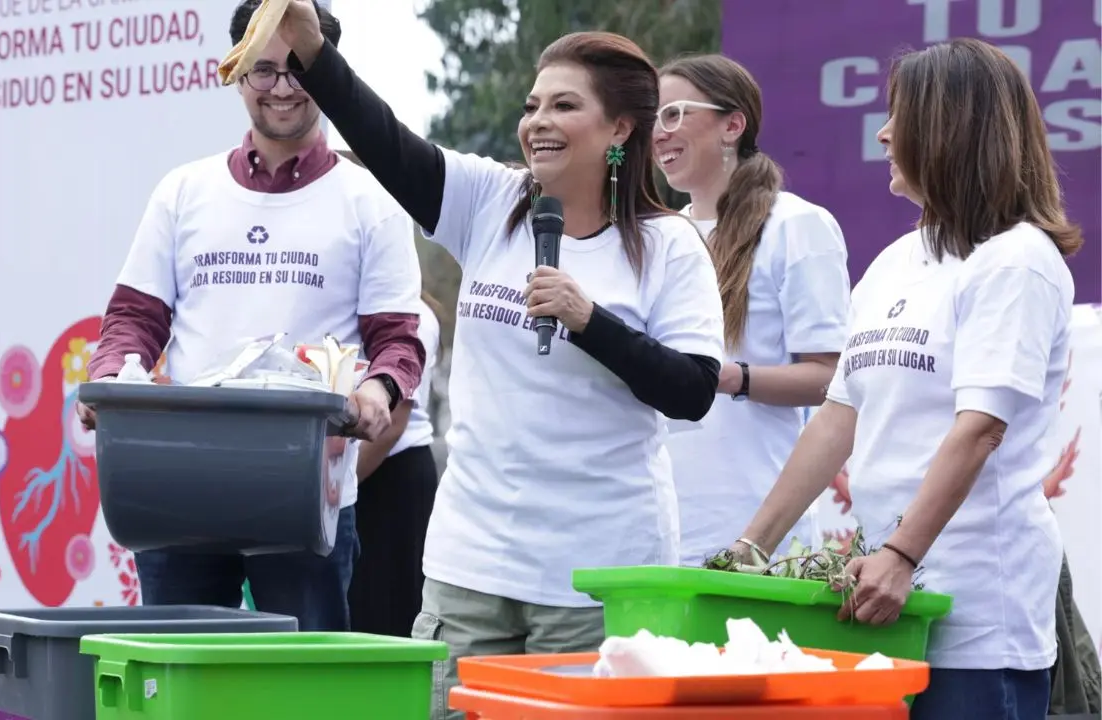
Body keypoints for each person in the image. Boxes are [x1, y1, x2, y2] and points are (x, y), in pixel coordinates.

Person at [274, 3, 725, 717]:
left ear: (620, 129)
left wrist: (589, 321)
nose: (538, 121)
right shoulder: (491, 199)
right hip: (471, 565)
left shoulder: (668, 246)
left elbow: (694, 390)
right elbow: (384, 138)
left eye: (565, 105)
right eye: (532, 105)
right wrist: (309, 47)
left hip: (597, 575)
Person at [725, 38, 1083, 720]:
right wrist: (747, 549)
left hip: (976, 621)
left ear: (952, 130)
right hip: (885, 603)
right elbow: (837, 418)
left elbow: (979, 430)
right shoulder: (894, 261)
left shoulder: (1017, 262)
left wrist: (900, 553)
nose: (884, 133)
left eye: (901, 116)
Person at [80, 0, 425, 632]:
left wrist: (379, 389)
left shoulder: (370, 199)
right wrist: (112, 375)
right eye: (263, 71)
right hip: (179, 489)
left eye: (301, 69)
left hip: (305, 496)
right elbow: (133, 318)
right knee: (178, 679)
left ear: (330, 71)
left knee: (303, 686)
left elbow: (397, 339)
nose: (283, 89)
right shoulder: (184, 190)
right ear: (236, 73)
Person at [652, 54, 850, 566]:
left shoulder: (797, 225)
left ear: (733, 125)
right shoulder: (658, 235)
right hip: (652, 525)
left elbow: (832, 380)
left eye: (673, 114)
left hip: (751, 530)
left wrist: (724, 377)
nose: (658, 132)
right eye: (651, 117)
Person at [348, 291, 443, 638]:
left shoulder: (414, 316)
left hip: (390, 476)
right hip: (346, 476)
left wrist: (330, 492)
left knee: (384, 620)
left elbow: (393, 423)